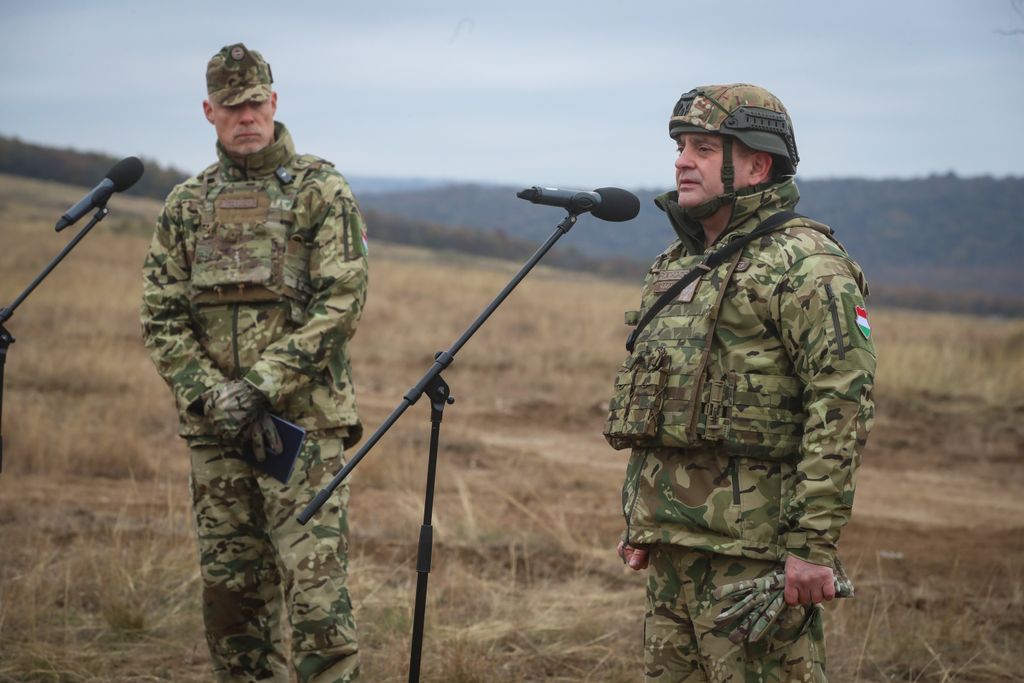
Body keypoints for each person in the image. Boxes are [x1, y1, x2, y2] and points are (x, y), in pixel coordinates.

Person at [604, 83, 876, 681]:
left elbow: (842, 406)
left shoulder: (807, 264)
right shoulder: (676, 264)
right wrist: (642, 518)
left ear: (756, 165)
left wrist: (811, 547)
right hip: (675, 546)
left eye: (703, 146)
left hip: (756, 558)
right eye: (681, 145)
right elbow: (662, 404)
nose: (681, 159)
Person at [140, 43, 368, 682]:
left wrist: (262, 384)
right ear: (209, 111)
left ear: (275, 102)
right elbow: (160, 315)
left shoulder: (322, 190)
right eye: (233, 106)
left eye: (257, 103)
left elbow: (341, 303)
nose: (248, 116)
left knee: (318, 604)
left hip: (304, 432)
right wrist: (211, 392)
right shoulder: (187, 205)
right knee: (232, 606)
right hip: (216, 434)